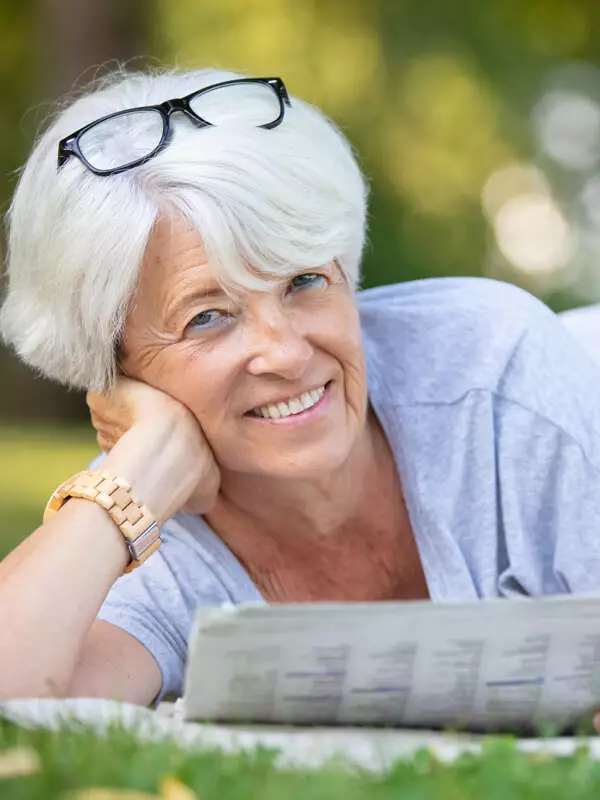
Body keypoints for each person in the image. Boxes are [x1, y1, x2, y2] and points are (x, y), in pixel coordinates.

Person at [2, 67, 600, 713]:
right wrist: (137, 475)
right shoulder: (149, 529)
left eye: (305, 282)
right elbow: (18, 705)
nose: (286, 352)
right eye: (207, 316)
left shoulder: (499, 377)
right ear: (112, 365)